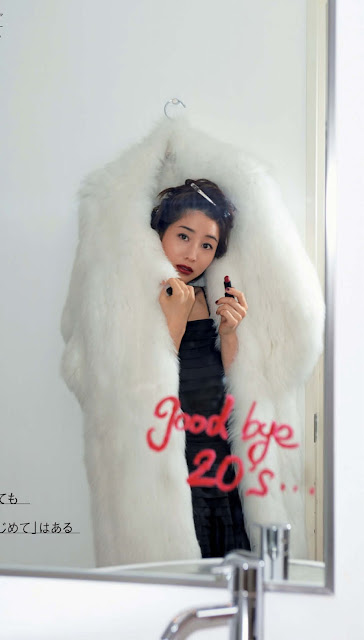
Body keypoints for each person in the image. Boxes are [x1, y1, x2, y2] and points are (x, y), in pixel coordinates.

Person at [151, 178, 251, 557]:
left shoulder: (214, 298)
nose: (192, 254)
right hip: (172, 469)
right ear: (160, 232)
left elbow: (236, 394)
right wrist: (173, 323)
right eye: (183, 236)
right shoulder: (138, 298)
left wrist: (228, 334)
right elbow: (145, 392)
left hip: (221, 469)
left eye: (207, 245)